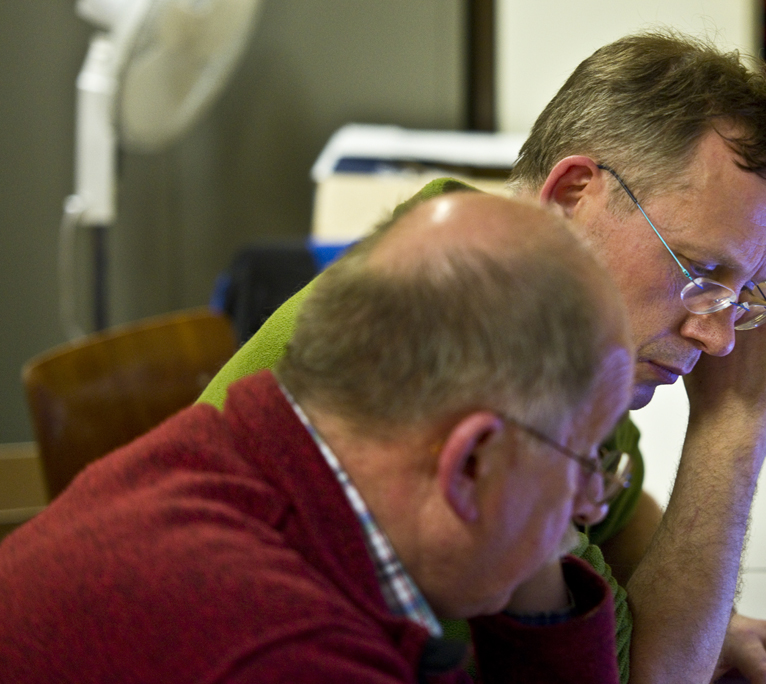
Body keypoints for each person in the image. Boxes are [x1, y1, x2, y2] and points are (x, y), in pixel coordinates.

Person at [198, 29, 766, 684]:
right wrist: (733, 430)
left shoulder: (521, 282)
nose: (721, 338)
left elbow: (622, 531)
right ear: (571, 196)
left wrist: (700, 618)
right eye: (700, 269)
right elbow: (643, 678)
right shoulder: (464, 368)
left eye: (748, 291)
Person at [0, 193, 636, 683]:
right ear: (469, 462)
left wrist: (527, 529)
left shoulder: (237, 460)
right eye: (586, 461)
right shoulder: (281, 645)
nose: (589, 506)